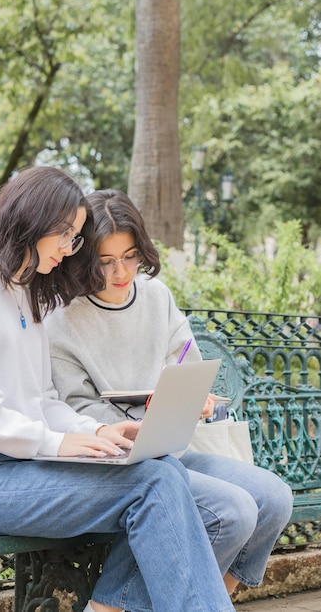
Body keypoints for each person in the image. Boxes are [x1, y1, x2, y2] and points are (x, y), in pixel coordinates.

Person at [0, 167, 235, 612]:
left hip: (22, 465)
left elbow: (43, 401)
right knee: (153, 485)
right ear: (30, 220)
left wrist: (96, 434)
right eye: (64, 233)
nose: (69, 248)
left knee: (162, 473)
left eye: (75, 237)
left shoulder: (26, 294)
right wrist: (58, 442)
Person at [45, 188, 294, 599]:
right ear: (84, 257)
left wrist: (193, 397)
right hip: (116, 462)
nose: (121, 272)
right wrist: (137, 425)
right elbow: (77, 408)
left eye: (129, 256)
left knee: (274, 498)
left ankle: (213, 600)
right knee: (233, 510)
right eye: (106, 261)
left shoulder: (156, 297)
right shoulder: (64, 318)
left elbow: (184, 361)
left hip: (171, 448)